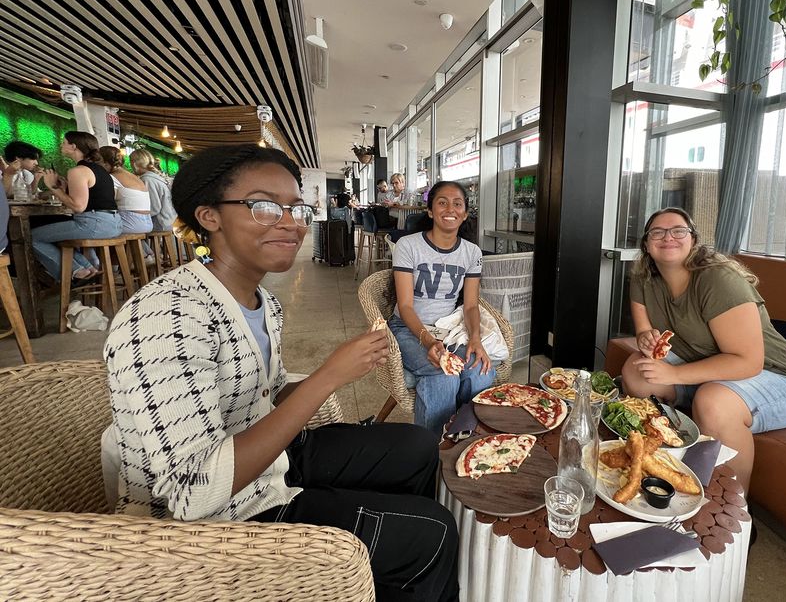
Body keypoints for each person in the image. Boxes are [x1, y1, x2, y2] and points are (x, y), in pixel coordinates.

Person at [100, 145, 458, 601]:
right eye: (265, 206)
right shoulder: (165, 317)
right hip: (207, 526)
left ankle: (375, 584)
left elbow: (266, 398)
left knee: (419, 445)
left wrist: (332, 375)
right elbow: (191, 496)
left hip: (264, 457)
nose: (291, 222)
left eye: (296, 207)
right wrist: (328, 377)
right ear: (210, 217)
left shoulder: (263, 303)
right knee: (433, 533)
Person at [621, 207, 786, 493]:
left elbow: (748, 362)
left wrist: (673, 372)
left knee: (713, 402)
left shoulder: (717, 280)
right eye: (657, 232)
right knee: (636, 372)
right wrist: (648, 340)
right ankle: (663, 458)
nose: (668, 237)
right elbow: (644, 332)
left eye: (678, 231)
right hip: (705, 368)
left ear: (694, 239)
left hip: (776, 377)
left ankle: (732, 510)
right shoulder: (644, 278)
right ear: (647, 244)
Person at [389, 180, 495, 434]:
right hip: (408, 327)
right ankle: (430, 451)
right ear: (430, 211)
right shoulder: (409, 246)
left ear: (465, 213)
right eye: (442, 202)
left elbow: (470, 305)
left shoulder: (471, 253)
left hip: (448, 328)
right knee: (444, 375)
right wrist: (427, 341)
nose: (450, 209)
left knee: (480, 372)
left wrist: (476, 339)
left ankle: (467, 438)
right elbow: (405, 305)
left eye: (457, 204)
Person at [34, 131, 121, 282]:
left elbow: (78, 206)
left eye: (64, 142)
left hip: (94, 224)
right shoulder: (101, 170)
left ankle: (76, 272)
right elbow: (96, 197)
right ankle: (87, 268)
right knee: (54, 234)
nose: (61, 145)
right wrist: (66, 187)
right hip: (114, 223)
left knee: (32, 237)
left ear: (73, 146)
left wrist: (53, 187)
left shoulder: (77, 171)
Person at [99, 146, 153, 236]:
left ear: (105, 163)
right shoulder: (132, 176)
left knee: (94, 228)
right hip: (147, 221)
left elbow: (107, 203)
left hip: (132, 222)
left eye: (98, 162)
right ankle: (144, 250)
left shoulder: (111, 178)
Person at [130, 149, 175, 231]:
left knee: (132, 229)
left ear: (134, 164)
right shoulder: (155, 177)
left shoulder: (147, 180)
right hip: (170, 221)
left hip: (161, 223)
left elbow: (154, 208)